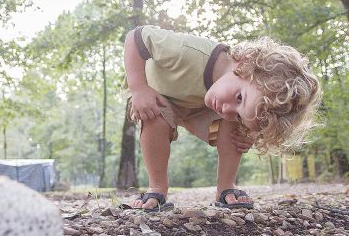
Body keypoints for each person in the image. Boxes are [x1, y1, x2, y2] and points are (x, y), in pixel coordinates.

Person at [122, 25, 320, 211]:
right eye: (239, 98)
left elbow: (239, 112)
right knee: (154, 116)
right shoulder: (187, 52)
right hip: (157, 96)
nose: (227, 109)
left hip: (198, 106)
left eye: (240, 115)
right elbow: (136, 37)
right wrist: (139, 88)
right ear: (246, 67)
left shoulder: (228, 103)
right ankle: (157, 188)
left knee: (237, 130)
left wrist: (248, 131)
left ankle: (226, 187)